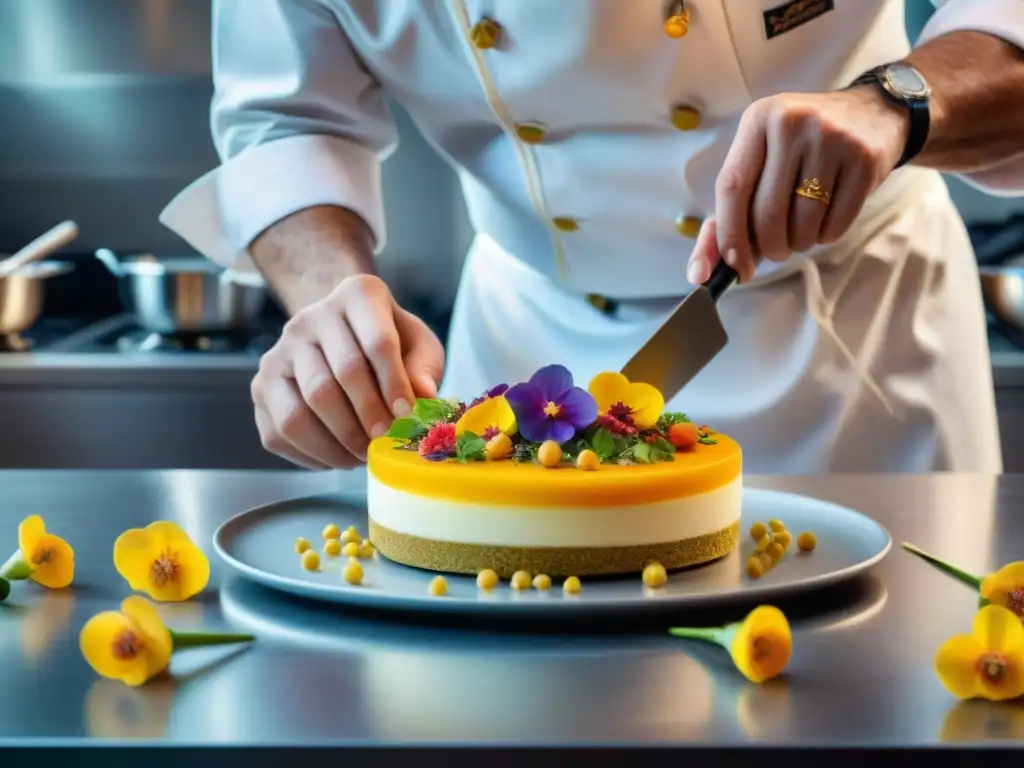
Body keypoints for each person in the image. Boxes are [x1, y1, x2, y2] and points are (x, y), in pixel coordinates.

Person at [161, 0, 1024, 474]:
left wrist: (897, 103)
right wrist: (330, 302)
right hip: (524, 357)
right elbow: (283, 118)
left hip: (857, 345)